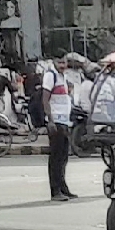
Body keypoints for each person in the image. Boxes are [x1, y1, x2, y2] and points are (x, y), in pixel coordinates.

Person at [44, 67, 77, 201]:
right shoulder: (50, 76)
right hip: (56, 122)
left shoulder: (63, 77)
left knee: (63, 157)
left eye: (64, 62)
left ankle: (63, 187)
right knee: (56, 158)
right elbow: (45, 99)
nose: (63, 64)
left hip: (64, 122)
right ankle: (55, 190)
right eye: (60, 61)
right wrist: (50, 120)